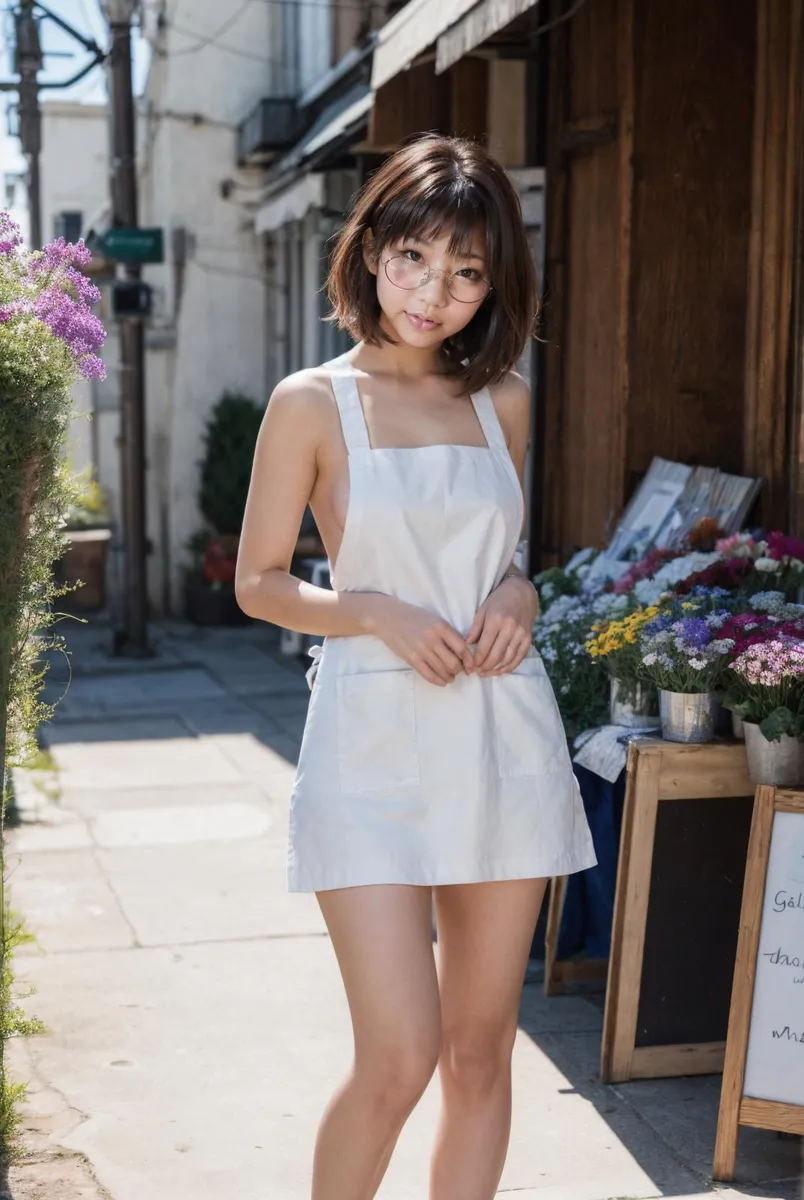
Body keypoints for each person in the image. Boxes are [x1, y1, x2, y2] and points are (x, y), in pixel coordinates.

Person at [235, 133, 596, 1200]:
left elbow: (505, 558)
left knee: (482, 1054)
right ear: (372, 249)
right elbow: (257, 582)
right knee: (400, 1056)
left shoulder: (506, 401)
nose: (434, 293)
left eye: (467, 272)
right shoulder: (312, 400)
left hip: (500, 730)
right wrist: (371, 611)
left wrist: (519, 594)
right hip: (374, 737)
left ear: (498, 283)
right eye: (414, 259)